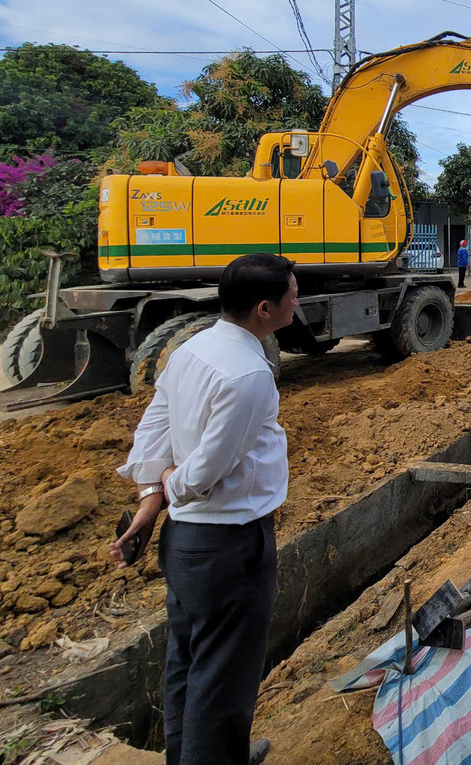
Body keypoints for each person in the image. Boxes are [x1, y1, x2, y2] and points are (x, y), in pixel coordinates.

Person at [111, 253, 296, 765]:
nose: (297, 301)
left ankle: (194, 755)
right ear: (265, 308)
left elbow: (153, 427)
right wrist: (170, 483)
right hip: (230, 544)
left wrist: (150, 494)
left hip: (188, 544)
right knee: (226, 673)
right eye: (292, 295)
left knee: (188, 659)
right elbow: (202, 474)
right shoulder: (248, 376)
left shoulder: (194, 348)